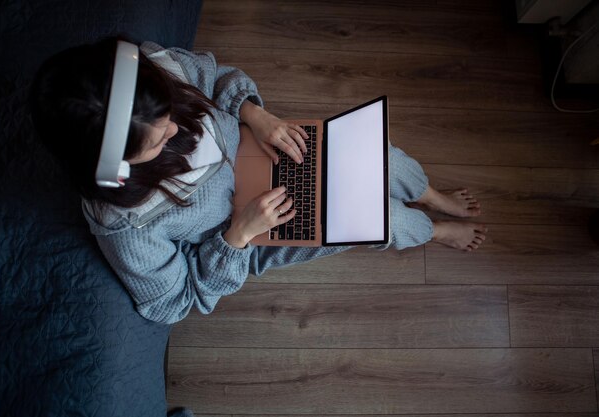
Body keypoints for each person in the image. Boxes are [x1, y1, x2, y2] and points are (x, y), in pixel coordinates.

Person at [30, 37, 487, 324]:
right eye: (155, 144)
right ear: (116, 169)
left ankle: (432, 195)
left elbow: (213, 75)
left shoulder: (152, 68)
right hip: (257, 228)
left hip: (267, 144)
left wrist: (256, 114)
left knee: (381, 159)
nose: (173, 132)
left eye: (168, 115)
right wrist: (238, 235)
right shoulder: (128, 223)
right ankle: (433, 231)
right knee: (380, 219)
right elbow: (171, 303)